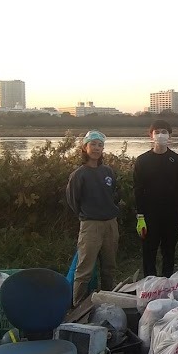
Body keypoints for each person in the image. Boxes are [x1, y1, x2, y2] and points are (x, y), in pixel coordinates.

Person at [66, 130, 120, 304]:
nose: (96, 148)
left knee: (109, 267)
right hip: (90, 225)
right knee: (84, 269)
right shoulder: (79, 174)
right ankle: (77, 304)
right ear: (85, 147)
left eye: (100, 145)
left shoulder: (108, 172)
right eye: (93, 144)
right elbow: (74, 200)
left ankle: (107, 300)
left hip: (110, 224)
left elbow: (113, 194)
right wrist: (88, 214)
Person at [133, 120, 178, 278]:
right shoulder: (142, 160)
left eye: (164, 131)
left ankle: (167, 281)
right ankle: (150, 283)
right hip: (149, 215)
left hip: (171, 214)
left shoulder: (177, 159)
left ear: (169, 135)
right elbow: (137, 188)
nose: (161, 135)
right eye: (157, 132)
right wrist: (140, 216)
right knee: (149, 251)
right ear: (151, 135)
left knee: (169, 250)